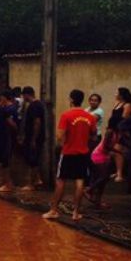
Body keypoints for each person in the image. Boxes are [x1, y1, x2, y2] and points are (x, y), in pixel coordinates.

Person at [43, 89, 97, 221]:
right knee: (80, 182)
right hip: (83, 153)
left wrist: (64, 143)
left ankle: (54, 210)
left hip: (68, 153)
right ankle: (76, 213)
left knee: (61, 180)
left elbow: (60, 135)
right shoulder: (90, 117)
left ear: (71, 99)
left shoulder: (66, 115)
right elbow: (94, 136)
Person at [19, 86, 45, 191]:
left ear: (26, 95)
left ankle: (31, 184)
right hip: (33, 137)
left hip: (34, 137)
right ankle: (38, 179)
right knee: (32, 159)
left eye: (23, 95)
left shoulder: (35, 106)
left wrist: (34, 139)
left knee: (32, 160)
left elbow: (37, 122)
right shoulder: (36, 105)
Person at [107, 87, 131, 182]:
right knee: (113, 151)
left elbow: (124, 119)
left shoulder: (127, 105)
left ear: (121, 95)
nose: (115, 94)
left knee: (118, 151)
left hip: (121, 131)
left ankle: (120, 174)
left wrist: (120, 131)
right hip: (113, 131)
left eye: (116, 93)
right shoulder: (116, 104)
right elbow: (111, 117)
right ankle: (117, 170)